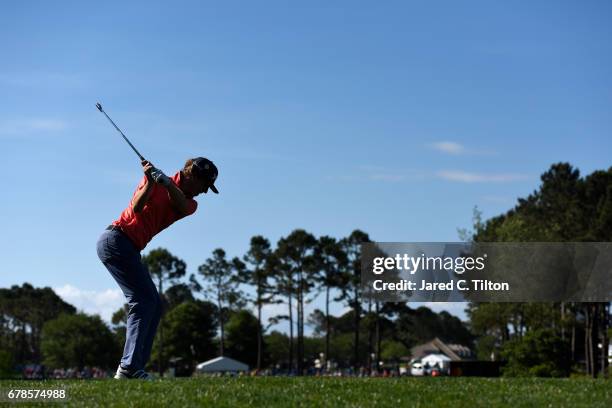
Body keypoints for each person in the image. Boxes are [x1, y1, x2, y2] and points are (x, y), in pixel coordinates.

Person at [96, 157, 219, 379]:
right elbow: (136, 208)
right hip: (116, 240)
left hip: (129, 248)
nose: (203, 192)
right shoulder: (152, 181)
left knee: (154, 304)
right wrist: (151, 183)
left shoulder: (190, 203)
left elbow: (180, 203)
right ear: (192, 176)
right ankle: (129, 368)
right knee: (144, 301)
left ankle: (135, 367)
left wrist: (167, 184)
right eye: (204, 185)